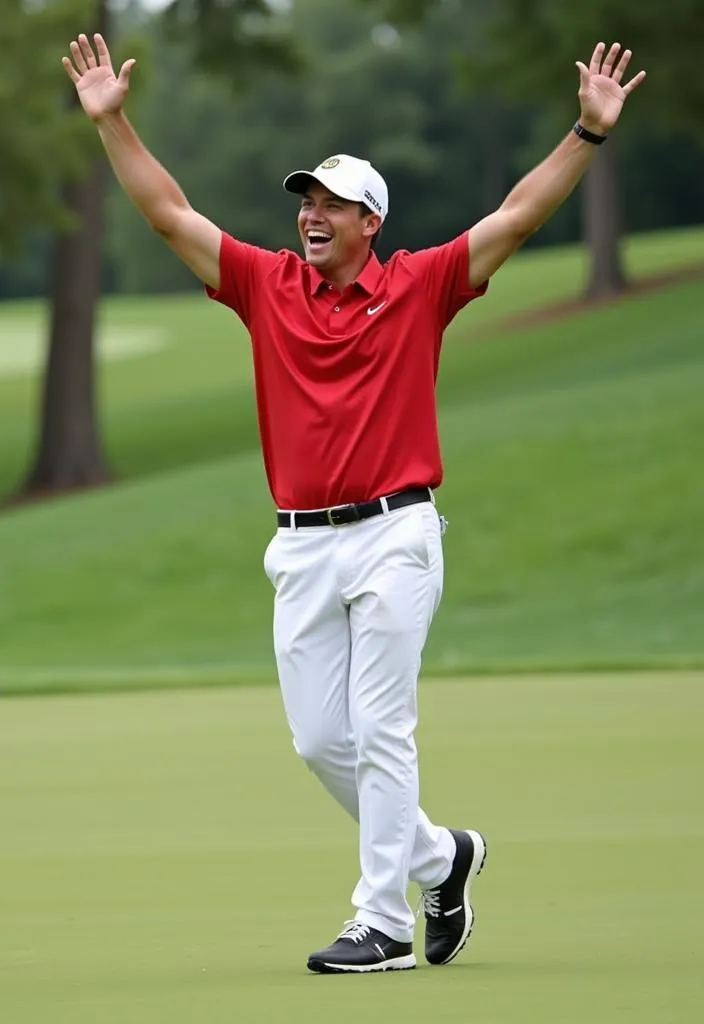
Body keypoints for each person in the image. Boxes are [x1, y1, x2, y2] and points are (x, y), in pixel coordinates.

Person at [62, 33, 645, 974]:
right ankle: (440, 857)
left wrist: (585, 131)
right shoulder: (266, 286)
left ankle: (381, 923)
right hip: (299, 546)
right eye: (307, 203)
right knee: (320, 739)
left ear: (373, 221)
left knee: (380, 728)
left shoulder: (419, 285)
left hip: (396, 536)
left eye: (333, 204)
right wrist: (112, 121)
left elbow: (516, 217)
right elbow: (169, 215)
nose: (313, 217)